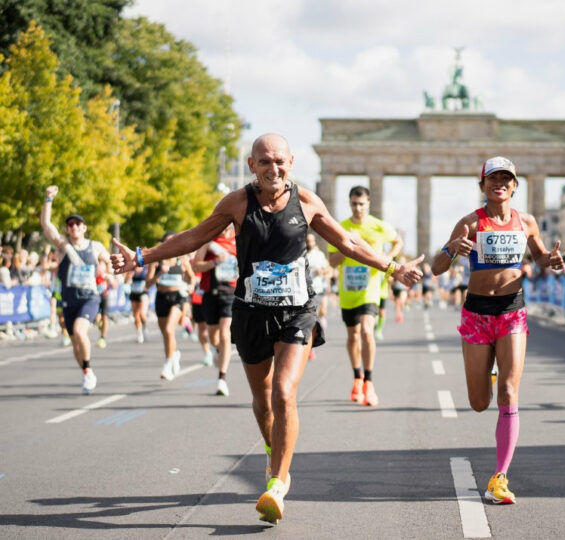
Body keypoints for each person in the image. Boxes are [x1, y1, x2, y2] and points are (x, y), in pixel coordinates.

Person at [109, 133, 422, 524]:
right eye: (265, 162)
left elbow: (346, 241)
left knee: (283, 391)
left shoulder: (306, 202)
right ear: (251, 165)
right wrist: (143, 256)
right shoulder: (237, 202)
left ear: (291, 163)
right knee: (262, 400)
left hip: (297, 311)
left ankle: (277, 482)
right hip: (251, 312)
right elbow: (195, 236)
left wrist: (393, 267)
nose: (273, 169)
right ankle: (275, 452)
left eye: (280, 162)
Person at [432, 156, 564, 505]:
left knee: (509, 389)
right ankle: (489, 375)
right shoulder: (470, 223)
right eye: (493, 178)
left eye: (506, 178)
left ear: (515, 186)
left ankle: (500, 477)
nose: (499, 184)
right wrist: (450, 249)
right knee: (478, 403)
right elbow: (435, 267)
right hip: (477, 313)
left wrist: (552, 261)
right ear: (483, 185)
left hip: (511, 312)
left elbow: (538, 258)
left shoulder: (528, 222)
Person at [328, 185, 403, 407]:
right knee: (352, 336)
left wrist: (386, 258)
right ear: (349, 204)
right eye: (354, 204)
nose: (358, 208)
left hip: (371, 289)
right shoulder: (341, 227)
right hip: (348, 290)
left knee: (367, 332)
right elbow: (332, 262)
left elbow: (397, 241)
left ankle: (369, 382)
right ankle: (357, 377)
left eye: (361, 204)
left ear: (368, 203)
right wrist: (346, 246)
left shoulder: (378, 226)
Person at [40, 185, 112, 394]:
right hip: (69, 299)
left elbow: (110, 262)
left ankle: (88, 371)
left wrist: (110, 272)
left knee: (81, 332)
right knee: (75, 343)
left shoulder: (95, 246)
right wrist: (48, 199)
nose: (73, 227)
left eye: (77, 224)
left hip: (89, 297)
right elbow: (46, 225)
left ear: (84, 227)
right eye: (69, 225)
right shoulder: (63, 246)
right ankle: (85, 371)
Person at [192, 224, 238, 396]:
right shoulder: (208, 240)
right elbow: (196, 266)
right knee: (214, 337)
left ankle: (222, 379)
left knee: (225, 333)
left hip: (231, 294)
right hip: (210, 294)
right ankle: (217, 351)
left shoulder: (237, 238)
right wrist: (215, 262)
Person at [145, 233, 195, 381]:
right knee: (167, 334)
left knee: (168, 329)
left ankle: (167, 364)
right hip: (161, 298)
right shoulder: (156, 260)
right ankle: (175, 353)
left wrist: (191, 286)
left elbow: (192, 277)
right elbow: (147, 284)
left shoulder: (182, 259)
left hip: (178, 297)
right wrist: (160, 273)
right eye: (167, 242)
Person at [304, 233, 331, 358]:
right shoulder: (301, 254)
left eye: (311, 240)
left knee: (322, 312)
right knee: (311, 320)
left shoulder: (319, 255)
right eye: (307, 240)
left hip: (319, 288)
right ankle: (310, 348)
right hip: (306, 291)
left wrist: (322, 271)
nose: (310, 243)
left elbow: (328, 269)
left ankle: (321, 321)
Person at [127, 265, 150, 343]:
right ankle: (139, 333)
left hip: (143, 293)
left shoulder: (145, 269)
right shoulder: (132, 269)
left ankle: (144, 327)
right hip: (134, 293)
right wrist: (129, 276)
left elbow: (149, 278)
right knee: (136, 314)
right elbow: (126, 281)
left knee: (142, 314)